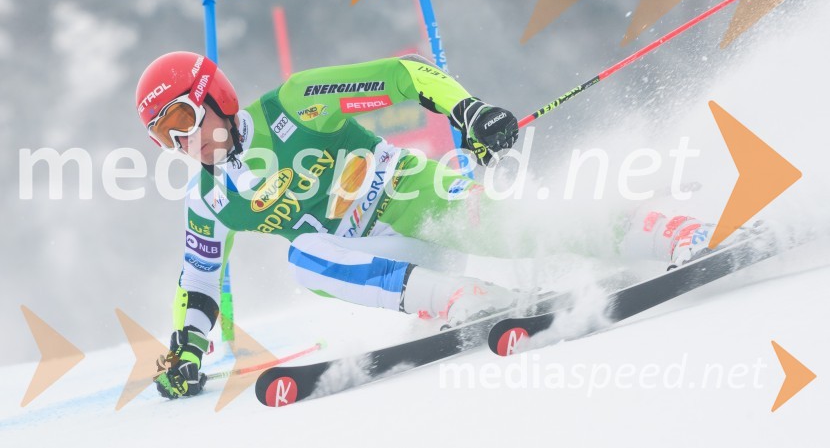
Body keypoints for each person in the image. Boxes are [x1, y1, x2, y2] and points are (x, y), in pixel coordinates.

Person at [136, 51, 713, 399]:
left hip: (416, 195)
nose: (182, 141)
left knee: (529, 230)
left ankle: (676, 231)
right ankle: (468, 300)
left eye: (183, 117)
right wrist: (187, 351)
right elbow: (201, 280)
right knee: (303, 257)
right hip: (396, 267)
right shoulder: (209, 199)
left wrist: (469, 110)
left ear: (215, 95)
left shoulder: (293, 104)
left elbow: (403, 76)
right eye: (164, 135)